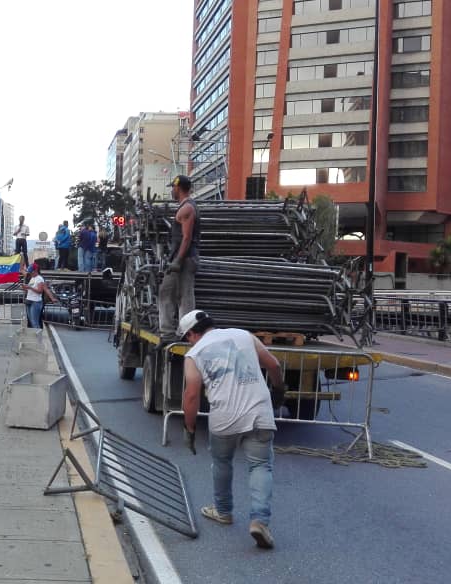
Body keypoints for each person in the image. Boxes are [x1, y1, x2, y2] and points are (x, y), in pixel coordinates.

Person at [179, 310, 285, 550]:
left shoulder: (194, 354)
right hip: (259, 412)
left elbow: (192, 394)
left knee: (222, 461)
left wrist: (190, 428)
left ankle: (223, 511)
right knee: (260, 465)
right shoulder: (244, 335)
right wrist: (278, 390)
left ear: (192, 334)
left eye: (187, 337)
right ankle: (259, 521)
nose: (189, 341)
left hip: (224, 417)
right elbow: (274, 365)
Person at [158, 175, 201, 341]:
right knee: (179, 294)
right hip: (183, 258)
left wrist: (178, 260)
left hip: (184, 259)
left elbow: (187, 237)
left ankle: (173, 333)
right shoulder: (186, 207)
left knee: (174, 294)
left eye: (173, 188)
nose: (171, 191)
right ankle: (178, 332)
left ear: (178, 188)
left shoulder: (187, 208)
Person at [24, 263, 59, 329]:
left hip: (35, 302)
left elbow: (40, 291)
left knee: (35, 322)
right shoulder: (32, 278)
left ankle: (38, 337)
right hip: (29, 300)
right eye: (30, 272)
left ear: (36, 270)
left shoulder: (39, 279)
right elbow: (31, 290)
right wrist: (25, 288)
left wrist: (29, 287)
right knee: (32, 321)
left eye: (31, 272)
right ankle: (37, 336)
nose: (30, 273)